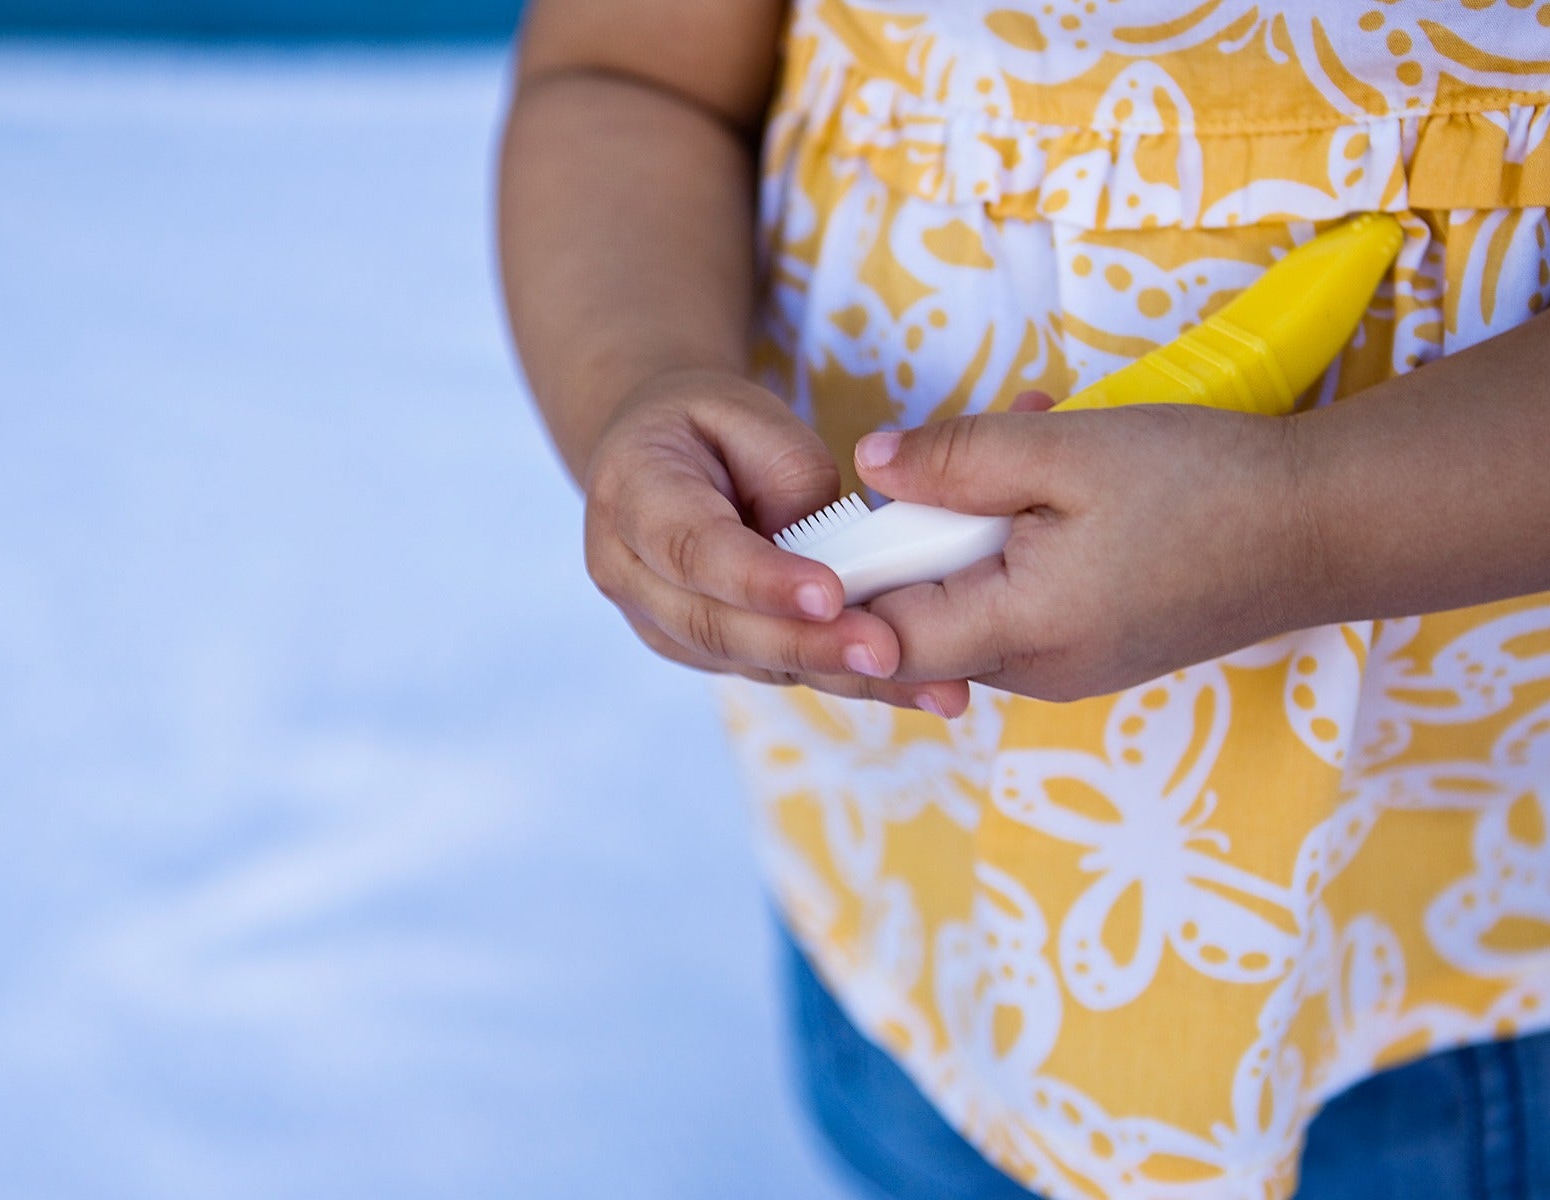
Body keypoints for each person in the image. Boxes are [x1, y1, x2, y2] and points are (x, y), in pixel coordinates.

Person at [497, 3, 1550, 1197]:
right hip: (911, 850)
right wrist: (634, 377)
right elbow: (626, 73)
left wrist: (1306, 517)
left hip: (1443, 932)